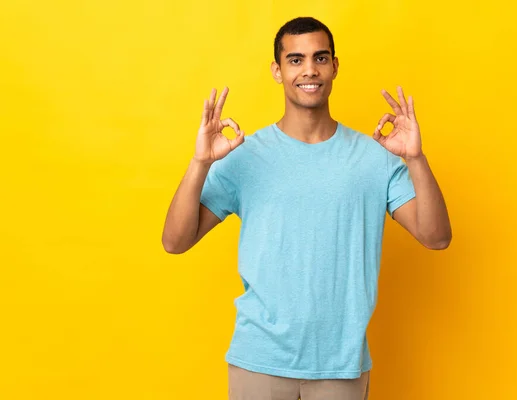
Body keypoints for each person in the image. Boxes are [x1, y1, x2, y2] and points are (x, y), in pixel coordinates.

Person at [162, 16, 452, 400]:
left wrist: (416, 159)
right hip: (259, 359)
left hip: (341, 364)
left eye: (320, 58)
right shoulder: (245, 156)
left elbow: (437, 237)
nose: (309, 70)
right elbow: (175, 241)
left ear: (334, 66)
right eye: (295, 60)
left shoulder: (373, 157)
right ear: (277, 70)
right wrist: (200, 164)